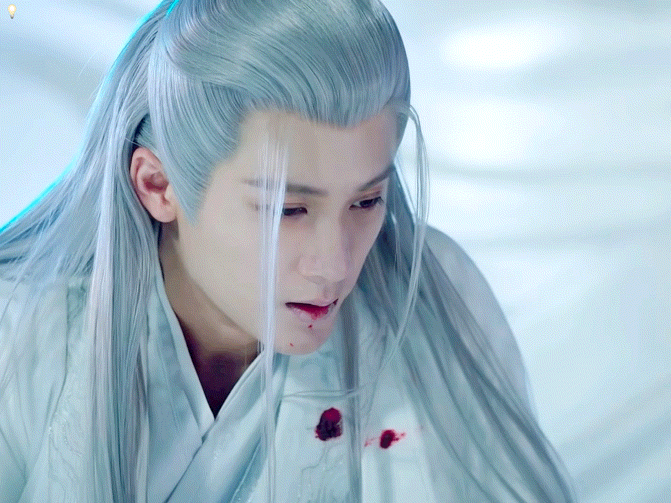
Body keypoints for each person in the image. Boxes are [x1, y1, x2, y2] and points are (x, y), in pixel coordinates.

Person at [0, 0, 577, 501]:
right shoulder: (19, 331)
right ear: (158, 185)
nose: (336, 265)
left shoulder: (434, 298)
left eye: (367, 200)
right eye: (288, 210)